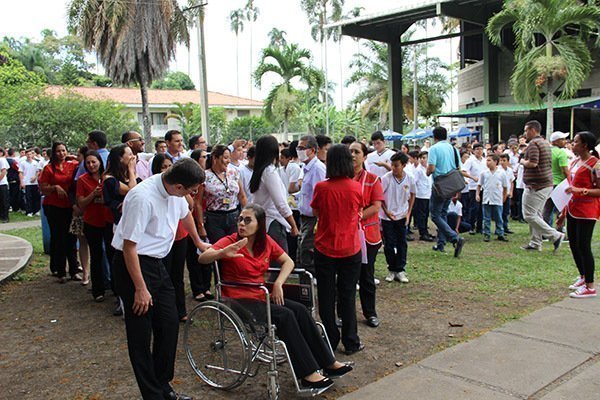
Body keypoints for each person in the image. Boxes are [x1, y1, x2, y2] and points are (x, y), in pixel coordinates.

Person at [199, 203, 353, 389]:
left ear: (260, 224)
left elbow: (287, 261)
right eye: (240, 219)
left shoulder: (266, 242)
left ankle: (328, 363)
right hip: (237, 299)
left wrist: (278, 283)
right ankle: (307, 374)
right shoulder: (231, 241)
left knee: (300, 310)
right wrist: (222, 253)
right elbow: (203, 257)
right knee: (285, 316)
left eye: (248, 220)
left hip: (259, 295)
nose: (241, 224)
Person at [112, 158, 208, 400]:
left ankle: (163, 385)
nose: (192, 194)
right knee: (141, 334)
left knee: (169, 323)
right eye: (190, 190)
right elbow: (129, 247)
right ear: (177, 186)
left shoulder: (174, 193)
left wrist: (197, 242)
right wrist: (140, 288)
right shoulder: (142, 197)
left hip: (156, 263)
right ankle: (153, 395)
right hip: (132, 265)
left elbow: (185, 215)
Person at [311, 144, 364, 355]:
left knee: (326, 294)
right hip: (350, 248)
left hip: (325, 247)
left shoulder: (321, 188)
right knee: (348, 294)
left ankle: (330, 337)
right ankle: (351, 341)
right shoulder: (356, 187)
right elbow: (358, 209)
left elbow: (315, 211)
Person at [194, 145, 247, 300]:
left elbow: (242, 196)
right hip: (214, 219)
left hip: (233, 217)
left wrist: (247, 214)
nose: (227, 161)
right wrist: (200, 225)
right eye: (224, 157)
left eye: (228, 157)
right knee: (220, 254)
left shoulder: (234, 172)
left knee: (236, 251)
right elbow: (198, 202)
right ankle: (221, 289)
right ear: (215, 158)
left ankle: (236, 287)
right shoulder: (205, 176)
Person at [556, 132, 600, 299]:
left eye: (575, 142)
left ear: (585, 146)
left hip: (587, 211)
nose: (571, 144)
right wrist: (563, 212)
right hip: (573, 208)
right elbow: (570, 186)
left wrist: (581, 191)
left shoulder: (596, 165)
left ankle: (590, 286)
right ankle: (583, 276)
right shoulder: (575, 161)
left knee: (584, 246)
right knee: (574, 244)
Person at [349, 141, 384, 328]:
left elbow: (376, 206)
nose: (353, 155)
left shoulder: (373, 179)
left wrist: (357, 216)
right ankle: (344, 314)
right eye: (350, 152)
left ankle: (370, 313)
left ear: (364, 156)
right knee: (346, 277)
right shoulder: (341, 178)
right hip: (346, 235)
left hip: (367, 235)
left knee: (366, 275)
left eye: (356, 152)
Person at [519, 120, 565, 252]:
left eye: (526, 130)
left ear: (533, 130)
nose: (525, 133)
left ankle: (555, 235)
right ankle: (535, 242)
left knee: (528, 215)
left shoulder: (533, 144)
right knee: (536, 214)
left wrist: (522, 160)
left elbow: (533, 163)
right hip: (545, 183)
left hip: (536, 185)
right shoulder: (544, 142)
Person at [38, 142, 80, 282]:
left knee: (71, 237)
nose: (61, 154)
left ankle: (74, 269)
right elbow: (43, 187)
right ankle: (60, 270)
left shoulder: (72, 165)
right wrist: (55, 187)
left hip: (69, 206)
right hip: (53, 206)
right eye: (58, 151)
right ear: (53, 153)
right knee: (58, 238)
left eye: (63, 151)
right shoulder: (49, 168)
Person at [250, 135, 299, 252]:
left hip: (265, 221)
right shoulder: (269, 172)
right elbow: (280, 203)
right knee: (280, 263)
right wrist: (293, 225)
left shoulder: (261, 170)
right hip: (273, 223)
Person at [77, 150, 114, 301]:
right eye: (88, 163)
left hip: (108, 221)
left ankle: (115, 288)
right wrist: (93, 194)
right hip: (92, 222)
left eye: (94, 162)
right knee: (97, 255)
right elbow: (81, 203)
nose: (91, 165)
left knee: (112, 255)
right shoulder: (82, 179)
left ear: (100, 162)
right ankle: (98, 290)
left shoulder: (108, 178)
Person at [426, 127, 466, 257]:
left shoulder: (434, 149)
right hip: (451, 185)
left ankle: (455, 238)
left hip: (440, 185)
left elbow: (431, 168)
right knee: (443, 213)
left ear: (434, 137)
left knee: (435, 215)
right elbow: (458, 167)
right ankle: (441, 244)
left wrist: (427, 172)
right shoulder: (453, 149)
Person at [380, 152, 415, 283]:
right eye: (392, 165)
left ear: (404, 165)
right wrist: (387, 211)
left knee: (402, 243)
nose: (393, 168)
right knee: (389, 243)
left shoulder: (410, 178)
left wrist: (408, 213)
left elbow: (412, 195)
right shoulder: (386, 178)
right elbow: (380, 197)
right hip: (387, 217)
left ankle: (400, 269)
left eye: (396, 166)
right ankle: (391, 268)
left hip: (402, 215)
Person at [297, 135, 326, 275]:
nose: (299, 151)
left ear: (312, 150)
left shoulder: (318, 169)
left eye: (302, 148)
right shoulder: (306, 167)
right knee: (303, 249)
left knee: (307, 249)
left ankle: (312, 277)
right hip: (304, 217)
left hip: (313, 218)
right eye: (298, 147)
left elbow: (321, 196)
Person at [476, 154, 509, 242]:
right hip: (487, 198)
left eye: (489, 160)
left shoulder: (501, 173)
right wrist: (477, 194)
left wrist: (504, 196)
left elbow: (505, 187)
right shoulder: (484, 173)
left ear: (495, 162)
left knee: (498, 217)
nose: (487, 163)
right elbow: (479, 185)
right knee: (486, 218)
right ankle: (487, 234)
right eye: (487, 160)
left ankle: (500, 233)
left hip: (497, 198)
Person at [542, 131, 570, 227]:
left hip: (547, 183)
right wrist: (570, 182)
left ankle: (544, 231)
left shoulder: (546, 151)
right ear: (556, 141)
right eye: (562, 139)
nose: (565, 141)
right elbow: (565, 171)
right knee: (560, 208)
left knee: (547, 209)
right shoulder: (561, 153)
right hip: (559, 184)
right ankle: (560, 230)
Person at [463, 143, 486, 234]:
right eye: (477, 149)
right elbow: (463, 172)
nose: (479, 151)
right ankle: (471, 226)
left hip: (483, 187)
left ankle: (480, 227)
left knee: (481, 208)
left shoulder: (484, 161)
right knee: (474, 207)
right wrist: (472, 178)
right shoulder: (470, 160)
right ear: (473, 151)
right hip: (473, 187)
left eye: (481, 149)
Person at [414, 151, 434, 241]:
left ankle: (425, 231)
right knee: (421, 215)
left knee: (426, 214)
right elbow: (414, 182)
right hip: (420, 195)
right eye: (421, 158)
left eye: (425, 158)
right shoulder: (418, 170)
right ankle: (422, 233)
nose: (423, 160)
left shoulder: (429, 169)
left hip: (428, 194)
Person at [19, 149, 41, 216]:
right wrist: (22, 182)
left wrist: (35, 177)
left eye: (30, 154)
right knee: (28, 197)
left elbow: (38, 171)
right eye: (27, 154)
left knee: (36, 197)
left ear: (32, 155)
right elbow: (20, 173)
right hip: (27, 182)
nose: (29, 155)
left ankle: (36, 210)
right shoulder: (23, 163)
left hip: (34, 182)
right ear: (25, 155)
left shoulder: (35, 163)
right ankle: (29, 211)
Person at [499, 154, 515, 234]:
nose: (502, 162)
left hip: (507, 193)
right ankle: (499, 228)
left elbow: (511, 181)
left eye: (504, 160)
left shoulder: (510, 170)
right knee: (499, 212)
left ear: (508, 161)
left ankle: (505, 227)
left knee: (506, 211)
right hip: (500, 194)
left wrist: (511, 192)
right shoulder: (498, 170)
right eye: (501, 160)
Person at [0, 148, 10, 223]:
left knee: (4, 200)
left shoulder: (2, 160)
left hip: (2, 183)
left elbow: (4, 172)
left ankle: (5, 217)